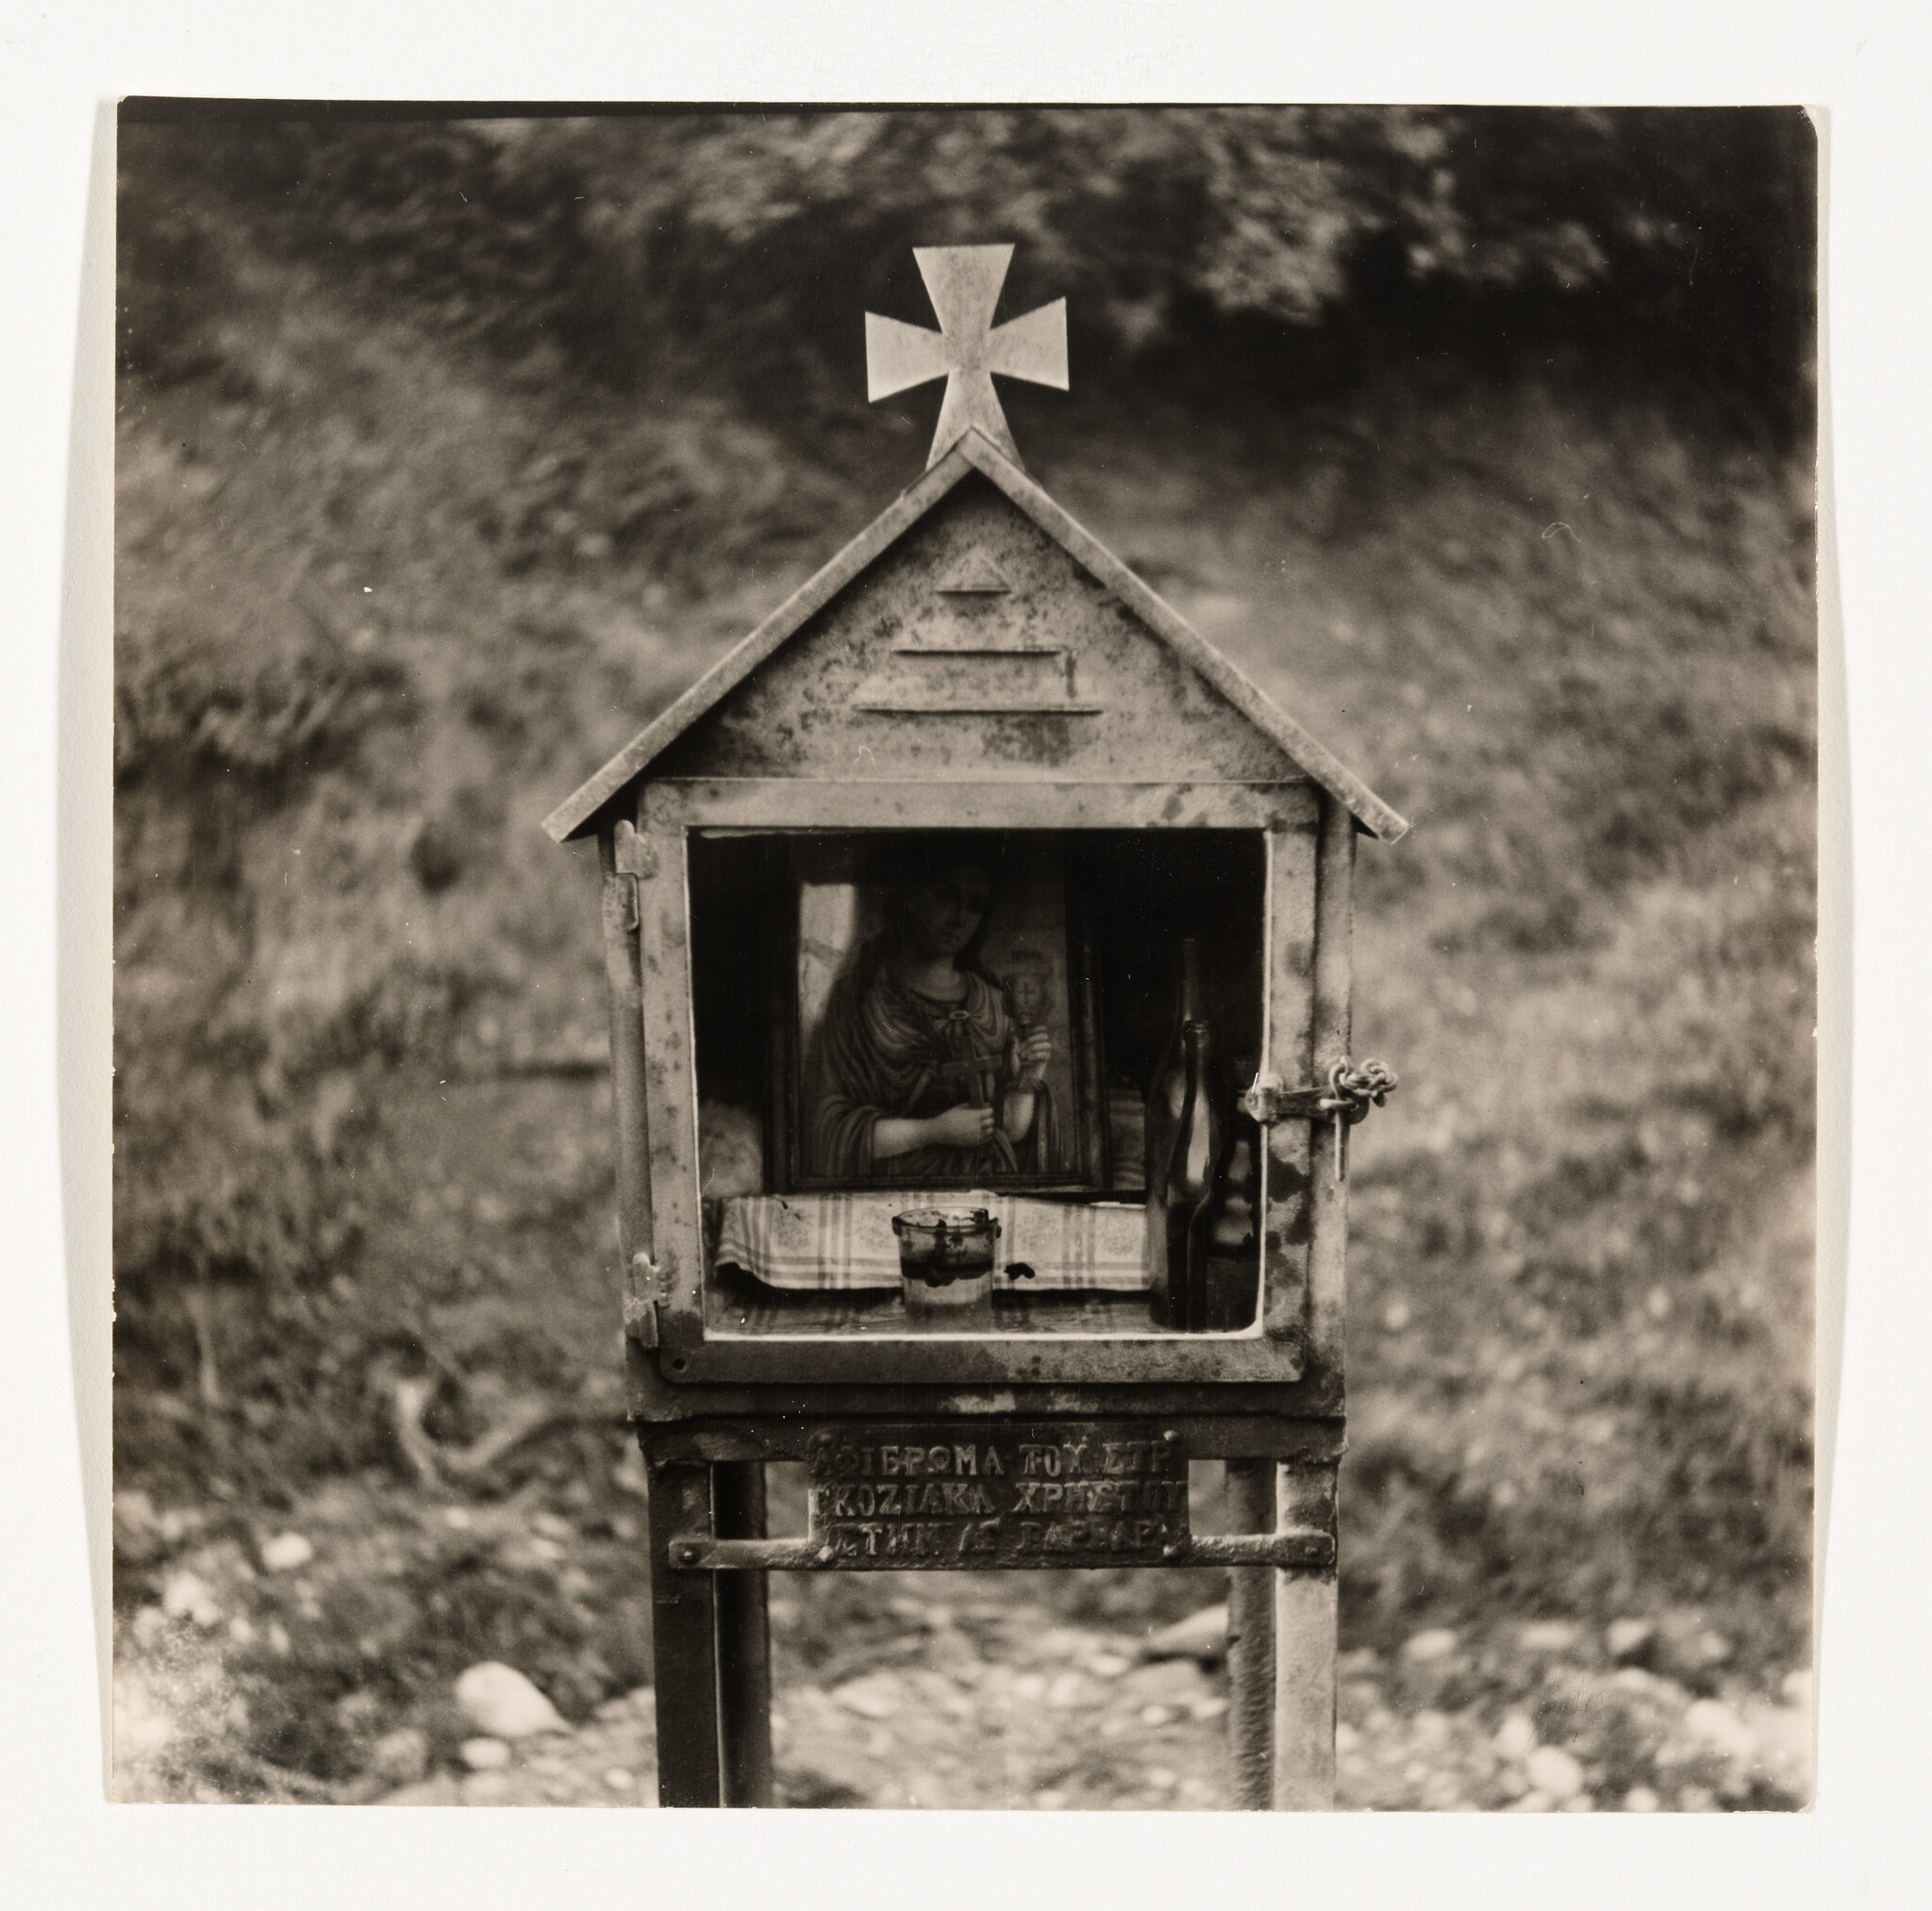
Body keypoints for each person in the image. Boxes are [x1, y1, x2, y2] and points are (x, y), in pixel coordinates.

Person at [808, 839, 1058, 1181]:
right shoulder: (863, 999)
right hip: (894, 1189)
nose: (959, 919)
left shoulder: (994, 1002)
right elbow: (828, 1129)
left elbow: (1011, 1130)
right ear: (911, 897)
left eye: (975, 906)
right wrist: (932, 1131)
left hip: (989, 1184)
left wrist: (1028, 1079)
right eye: (946, 896)